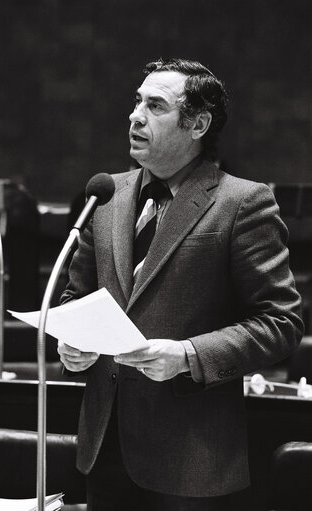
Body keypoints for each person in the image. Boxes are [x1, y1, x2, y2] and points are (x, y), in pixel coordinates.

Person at [58, 58, 303, 511]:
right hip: (103, 447)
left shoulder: (242, 202)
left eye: (155, 106)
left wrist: (188, 355)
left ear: (198, 124)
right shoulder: (106, 194)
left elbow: (280, 323)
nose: (135, 116)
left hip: (190, 459)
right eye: (136, 102)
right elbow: (78, 298)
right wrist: (73, 346)